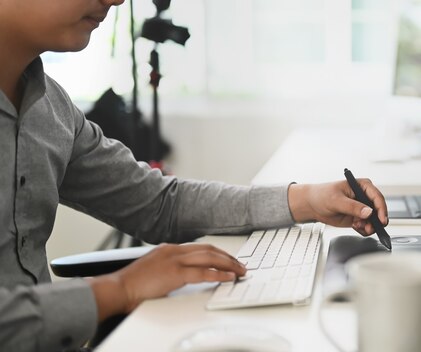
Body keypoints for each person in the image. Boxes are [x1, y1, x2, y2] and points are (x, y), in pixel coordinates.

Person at [0, 0, 389, 351]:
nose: (116, 0)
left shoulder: (51, 107)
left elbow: (158, 204)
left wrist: (306, 200)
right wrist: (120, 287)